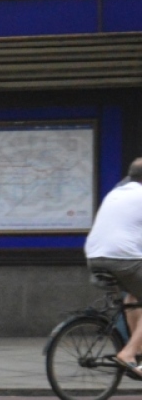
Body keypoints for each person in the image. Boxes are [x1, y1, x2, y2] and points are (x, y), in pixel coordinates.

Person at [85, 158, 142, 373]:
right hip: (122, 259)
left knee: (133, 295)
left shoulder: (117, 192)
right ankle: (129, 352)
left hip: (94, 257)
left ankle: (137, 350)